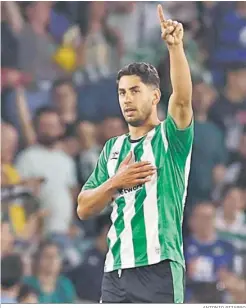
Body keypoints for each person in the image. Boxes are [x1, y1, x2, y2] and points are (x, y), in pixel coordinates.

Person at [77, 5, 193, 303]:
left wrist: (175, 47)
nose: (127, 99)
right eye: (122, 92)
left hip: (159, 267)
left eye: (135, 91)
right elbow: (84, 208)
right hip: (115, 271)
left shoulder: (170, 137)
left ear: (155, 96)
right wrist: (115, 182)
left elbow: (181, 101)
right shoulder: (111, 149)